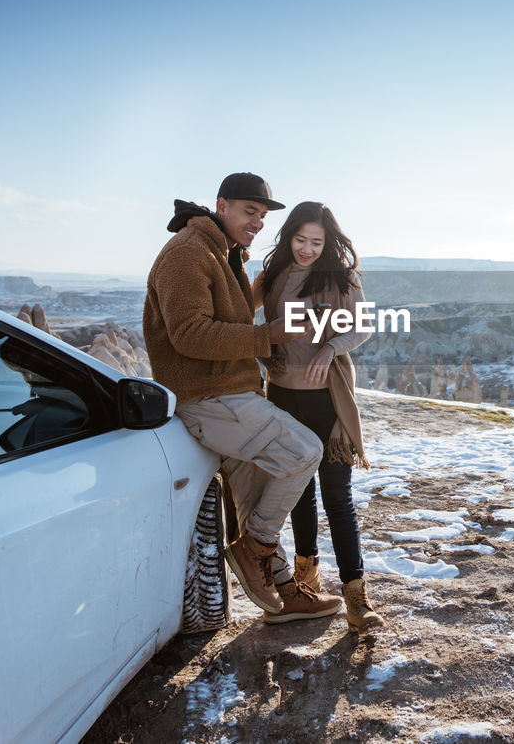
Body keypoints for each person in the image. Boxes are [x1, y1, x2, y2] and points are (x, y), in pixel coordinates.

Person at [143, 173, 342, 622]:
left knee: (255, 501)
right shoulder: (187, 253)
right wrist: (265, 336)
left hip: (233, 393)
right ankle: (253, 550)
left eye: (263, 215)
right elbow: (189, 335)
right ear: (222, 205)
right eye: (249, 211)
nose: (257, 222)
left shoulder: (223, 253)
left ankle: (282, 589)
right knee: (304, 451)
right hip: (209, 397)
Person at [254, 201, 383, 629]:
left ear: (328, 243)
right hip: (282, 398)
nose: (307, 249)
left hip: (328, 399)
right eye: (300, 239)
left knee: (337, 498)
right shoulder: (272, 276)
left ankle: (356, 598)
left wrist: (330, 347)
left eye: (316, 241)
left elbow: (362, 326)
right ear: (288, 236)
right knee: (298, 495)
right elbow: (237, 308)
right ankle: (306, 583)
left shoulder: (341, 279)